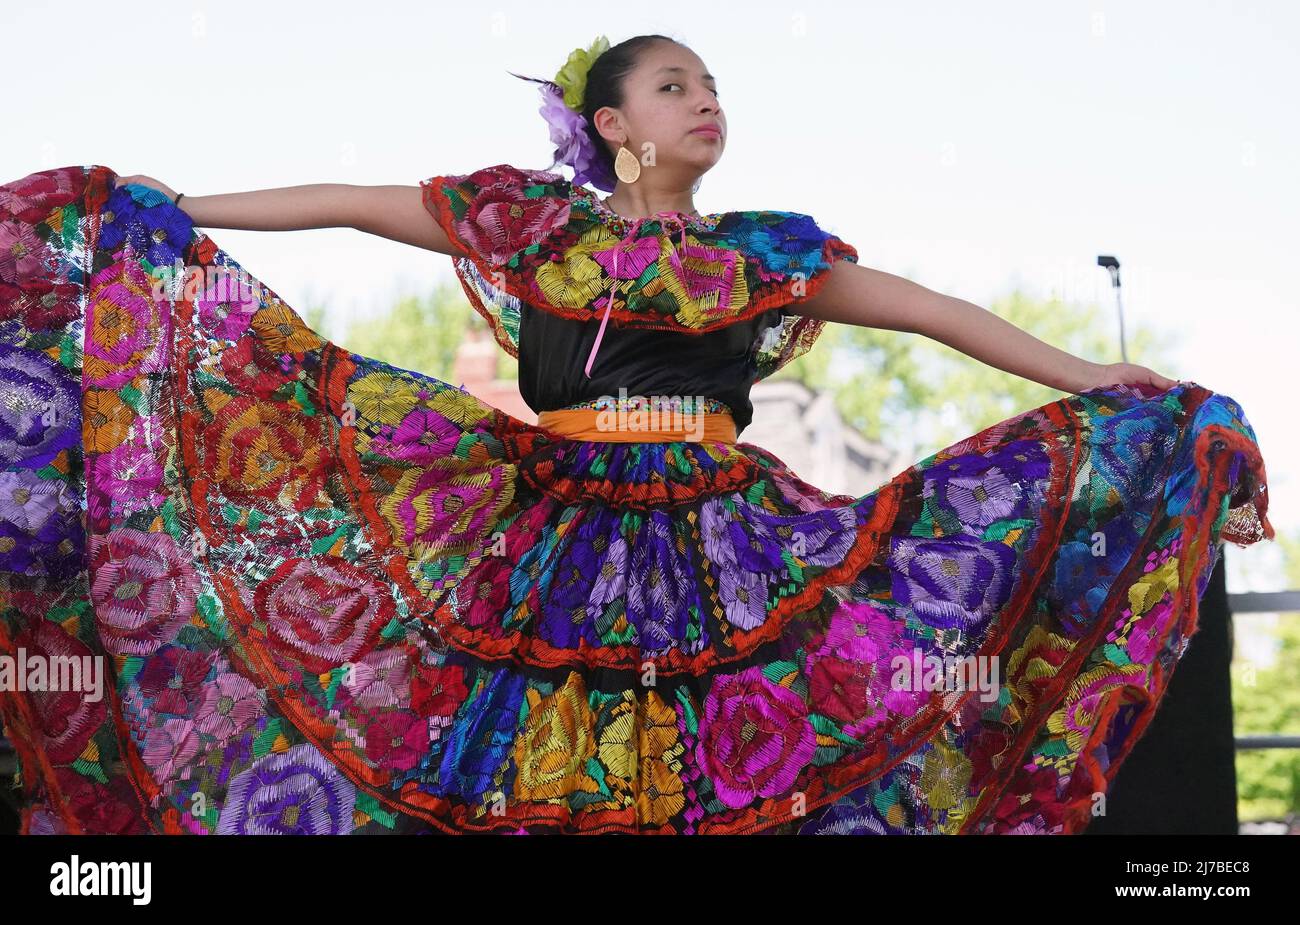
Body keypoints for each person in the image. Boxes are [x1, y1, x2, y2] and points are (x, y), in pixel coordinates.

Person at [0, 33, 1274, 836]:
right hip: (545, 521)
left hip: (725, 538)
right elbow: (349, 202)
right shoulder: (534, 226)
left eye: (715, 86)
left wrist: (1091, 370)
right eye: (677, 86)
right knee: (514, 759)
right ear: (614, 125)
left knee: (717, 772)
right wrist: (172, 205)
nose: (706, 102)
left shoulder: (759, 254)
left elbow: (932, 313)